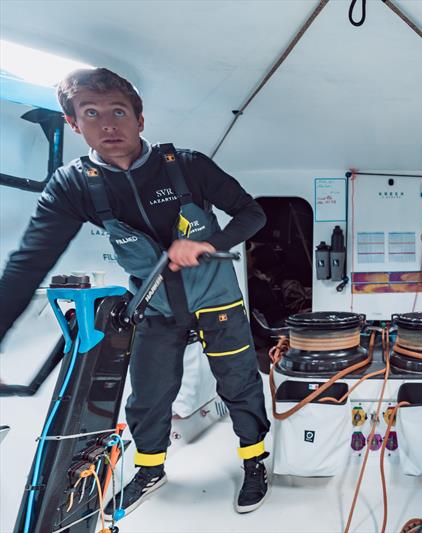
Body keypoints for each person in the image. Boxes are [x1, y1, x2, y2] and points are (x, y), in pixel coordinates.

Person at [0, 68, 271, 515]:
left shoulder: (187, 166)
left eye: (118, 111)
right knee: (148, 395)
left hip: (216, 299)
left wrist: (209, 244)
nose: (108, 124)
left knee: (239, 384)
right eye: (91, 113)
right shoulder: (74, 187)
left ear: (139, 119)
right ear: (73, 123)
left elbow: (252, 214)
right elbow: (27, 265)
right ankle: (150, 468)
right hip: (155, 304)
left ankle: (254, 461)